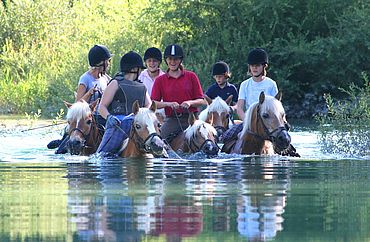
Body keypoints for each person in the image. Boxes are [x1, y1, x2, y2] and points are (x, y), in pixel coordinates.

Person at [49, 44, 113, 153]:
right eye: (108, 61)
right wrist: (89, 93)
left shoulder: (106, 78)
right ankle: (61, 147)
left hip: (101, 117)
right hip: (85, 118)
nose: (109, 63)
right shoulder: (85, 79)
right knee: (63, 148)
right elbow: (77, 103)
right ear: (101, 63)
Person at [97, 51, 151, 156]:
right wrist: (109, 118)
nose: (141, 72)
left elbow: (148, 105)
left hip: (137, 125)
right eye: (140, 69)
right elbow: (102, 106)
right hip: (118, 125)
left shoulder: (141, 86)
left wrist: (140, 116)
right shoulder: (115, 83)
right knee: (102, 155)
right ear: (135, 69)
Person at [151, 44, 206, 142]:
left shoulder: (191, 76)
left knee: (207, 140)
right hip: (173, 119)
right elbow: (154, 103)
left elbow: (201, 101)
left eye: (176, 59)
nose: (172, 62)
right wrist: (168, 104)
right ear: (166, 60)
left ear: (180, 60)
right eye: (170, 59)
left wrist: (190, 103)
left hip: (192, 118)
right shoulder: (160, 80)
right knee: (158, 141)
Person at [236, 48, 278, 121]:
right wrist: (247, 121)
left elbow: (277, 107)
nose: (255, 68)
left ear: (264, 66)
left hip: (267, 121)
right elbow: (239, 108)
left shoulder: (271, 84)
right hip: (249, 120)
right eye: (252, 65)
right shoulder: (244, 85)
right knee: (231, 132)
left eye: (257, 65)